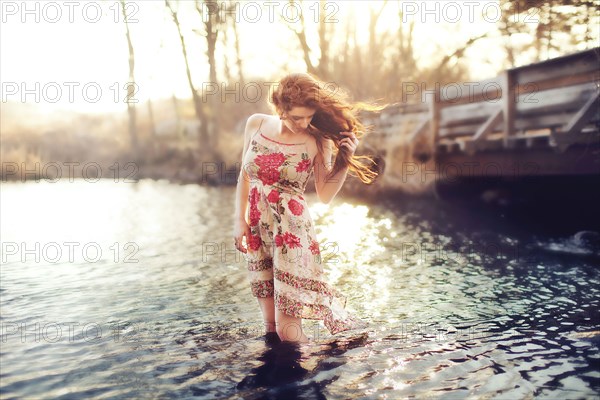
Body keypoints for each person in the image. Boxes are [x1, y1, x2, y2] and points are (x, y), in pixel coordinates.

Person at [233, 72, 382, 343]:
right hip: (258, 229)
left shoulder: (316, 140)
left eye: (309, 117)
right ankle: (277, 383)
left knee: (287, 331)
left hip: (292, 234)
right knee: (269, 326)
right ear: (280, 108)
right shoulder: (255, 124)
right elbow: (245, 175)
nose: (304, 123)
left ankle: (312, 381)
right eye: (296, 117)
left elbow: (325, 194)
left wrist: (344, 159)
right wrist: (239, 221)